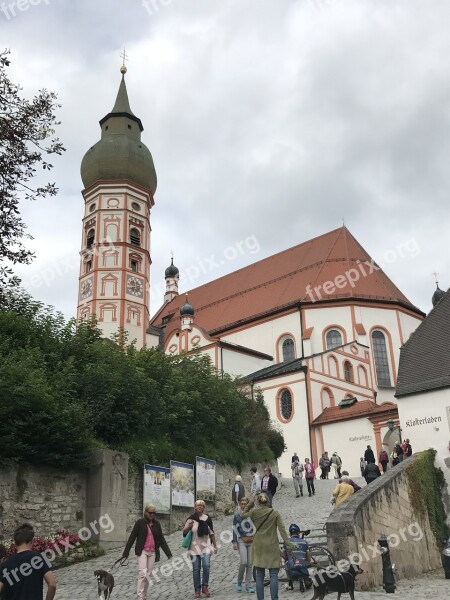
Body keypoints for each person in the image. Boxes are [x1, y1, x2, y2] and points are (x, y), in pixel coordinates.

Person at [242, 492, 291, 600]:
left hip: (259, 546)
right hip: (272, 546)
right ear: (268, 501)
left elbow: (243, 514)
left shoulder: (254, 512)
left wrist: (250, 503)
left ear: (258, 502)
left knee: (259, 575)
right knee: (274, 575)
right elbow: (282, 529)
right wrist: (288, 543)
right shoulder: (275, 513)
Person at [123, 503, 173, 600]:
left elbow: (161, 539)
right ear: (145, 512)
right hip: (142, 551)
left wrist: (168, 553)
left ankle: (144, 595)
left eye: (154, 513)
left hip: (152, 552)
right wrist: (126, 553)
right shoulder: (140, 523)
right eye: (150, 512)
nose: (152, 515)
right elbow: (132, 537)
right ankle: (140, 597)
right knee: (143, 572)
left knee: (148, 575)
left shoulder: (157, 524)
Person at [0, 523, 57, 600]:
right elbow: (52, 584)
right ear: (31, 541)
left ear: (15, 542)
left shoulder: (5, 565)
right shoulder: (38, 558)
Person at [183, 499, 217, 598]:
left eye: (201, 505)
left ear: (204, 508)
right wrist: (188, 527)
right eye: (198, 505)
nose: (200, 507)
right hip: (194, 548)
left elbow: (212, 533)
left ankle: (205, 587)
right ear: (195, 507)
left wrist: (215, 546)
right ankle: (197, 590)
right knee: (196, 569)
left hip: (206, 547)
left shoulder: (207, 519)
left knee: (206, 566)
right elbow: (184, 533)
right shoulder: (191, 519)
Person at [232, 497, 255, 593]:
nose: (243, 505)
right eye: (242, 503)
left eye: (245, 503)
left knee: (250, 564)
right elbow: (234, 528)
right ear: (240, 504)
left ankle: (248, 584)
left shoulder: (252, 514)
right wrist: (234, 542)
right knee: (243, 562)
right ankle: (239, 582)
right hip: (242, 540)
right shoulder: (237, 515)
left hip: (252, 540)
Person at [282, 523, 312, 591]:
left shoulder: (287, 542)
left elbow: (284, 556)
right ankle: (306, 580)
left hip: (291, 567)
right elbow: (308, 558)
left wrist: (287, 559)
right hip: (302, 566)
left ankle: (290, 583)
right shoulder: (304, 542)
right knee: (305, 558)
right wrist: (308, 561)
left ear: (290, 533)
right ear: (298, 533)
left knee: (286, 561)